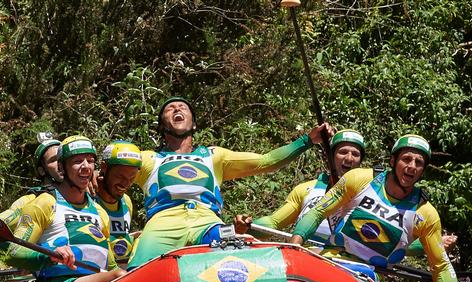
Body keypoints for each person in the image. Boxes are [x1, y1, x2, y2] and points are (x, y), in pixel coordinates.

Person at [289, 134, 472, 282]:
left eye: (418, 163)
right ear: (393, 161)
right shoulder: (359, 179)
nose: (412, 166)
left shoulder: (425, 214)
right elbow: (318, 211)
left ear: (422, 171)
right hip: (330, 260)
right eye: (406, 159)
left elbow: (441, 267)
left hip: (368, 276)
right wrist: (294, 248)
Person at [126, 96, 332, 269]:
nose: (177, 109)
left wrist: (308, 140)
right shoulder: (146, 158)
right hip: (163, 224)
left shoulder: (215, 156)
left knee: (244, 250)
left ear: (194, 124)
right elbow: (111, 173)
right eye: (170, 108)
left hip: (207, 224)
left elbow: (266, 161)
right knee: (138, 269)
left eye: (183, 107)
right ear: (162, 125)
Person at [2, 135, 125, 282]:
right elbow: (13, 252)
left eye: (90, 161)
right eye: (77, 161)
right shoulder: (45, 203)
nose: (86, 166)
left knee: (122, 274)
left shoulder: (100, 212)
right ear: (61, 168)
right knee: (119, 278)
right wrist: (48, 257)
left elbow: (111, 265)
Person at [234, 129, 365, 243]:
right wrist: (247, 226)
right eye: (343, 152)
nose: (349, 158)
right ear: (330, 156)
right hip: (305, 257)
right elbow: (274, 222)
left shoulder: (369, 192)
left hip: (345, 264)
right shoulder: (306, 189)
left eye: (355, 154)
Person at [0, 133, 64, 229]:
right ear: (42, 170)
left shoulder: (84, 194)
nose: (60, 164)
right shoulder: (32, 198)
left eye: (62, 159)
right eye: (53, 160)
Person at [94, 141, 142, 264]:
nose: (125, 184)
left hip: (121, 272)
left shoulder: (126, 201)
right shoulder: (87, 197)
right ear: (104, 167)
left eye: (131, 178)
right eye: (120, 176)